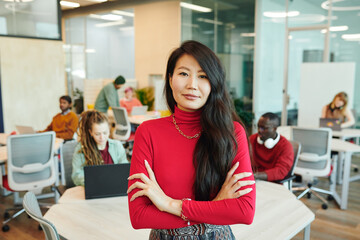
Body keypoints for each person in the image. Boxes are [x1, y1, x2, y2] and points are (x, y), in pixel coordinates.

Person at [127, 40, 255, 239]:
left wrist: (170, 205)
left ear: (214, 83)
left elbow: (245, 211)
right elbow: (139, 216)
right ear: (170, 79)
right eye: (183, 74)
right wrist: (215, 207)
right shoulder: (148, 132)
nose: (191, 85)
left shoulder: (232, 132)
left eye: (203, 76)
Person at [71, 110, 127, 186]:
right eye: (97, 134)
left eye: (105, 133)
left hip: (114, 186)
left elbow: (124, 170)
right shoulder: (81, 149)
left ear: (109, 131)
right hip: (93, 187)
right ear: (90, 132)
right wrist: (95, 182)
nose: (102, 137)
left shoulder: (117, 146)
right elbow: (76, 176)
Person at [250, 112, 294, 182]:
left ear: (275, 129)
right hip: (254, 180)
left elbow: (281, 171)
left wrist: (256, 175)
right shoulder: (252, 139)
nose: (259, 131)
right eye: (258, 127)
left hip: (273, 183)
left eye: (264, 128)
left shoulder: (286, 146)